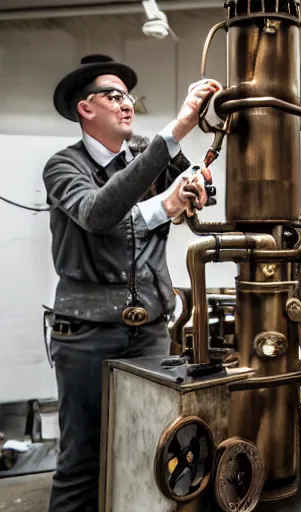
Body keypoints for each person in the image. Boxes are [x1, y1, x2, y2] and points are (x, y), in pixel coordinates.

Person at [43, 54, 221, 512]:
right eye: (115, 95)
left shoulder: (147, 153)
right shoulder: (63, 167)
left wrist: (195, 184)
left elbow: (206, 190)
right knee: (82, 462)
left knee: (153, 454)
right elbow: (100, 214)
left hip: (149, 335)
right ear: (86, 108)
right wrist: (177, 131)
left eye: (130, 97)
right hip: (86, 337)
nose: (128, 105)